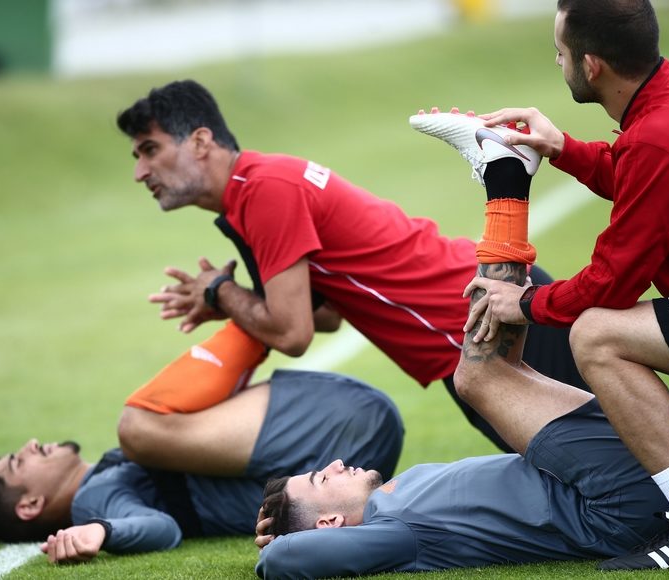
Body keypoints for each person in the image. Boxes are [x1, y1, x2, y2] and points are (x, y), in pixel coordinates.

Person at [253, 127, 669, 579]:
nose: (333, 465)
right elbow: (282, 563)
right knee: (481, 378)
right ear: (331, 523)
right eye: (320, 480)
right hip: (606, 504)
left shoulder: (396, 497)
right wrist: (280, 541)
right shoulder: (392, 530)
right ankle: (505, 180)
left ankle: (504, 182)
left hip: (604, 483)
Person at [416, 0, 669, 570]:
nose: (558, 62)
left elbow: (611, 283)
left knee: (597, 334)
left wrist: (526, 302)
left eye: (560, 53)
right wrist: (563, 148)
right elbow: (650, 177)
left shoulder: (659, 137)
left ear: (591, 65)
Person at [114, 79, 590, 453]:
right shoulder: (257, 185)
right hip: (477, 319)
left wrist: (221, 291)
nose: (139, 172)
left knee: (590, 463)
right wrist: (226, 299)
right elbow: (324, 316)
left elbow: (293, 334)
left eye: (150, 150)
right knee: (588, 462)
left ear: (200, 141)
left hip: (481, 322)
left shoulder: (262, 192)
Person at [0, 322, 403, 564]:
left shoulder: (108, 474)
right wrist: (102, 529)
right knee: (138, 426)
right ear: (31, 505)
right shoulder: (93, 498)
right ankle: (263, 319)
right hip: (339, 436)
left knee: (144, 430)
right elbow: (162, 529)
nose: (31, 444)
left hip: (345, 456)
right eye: (17, 462)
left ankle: (264, 318)